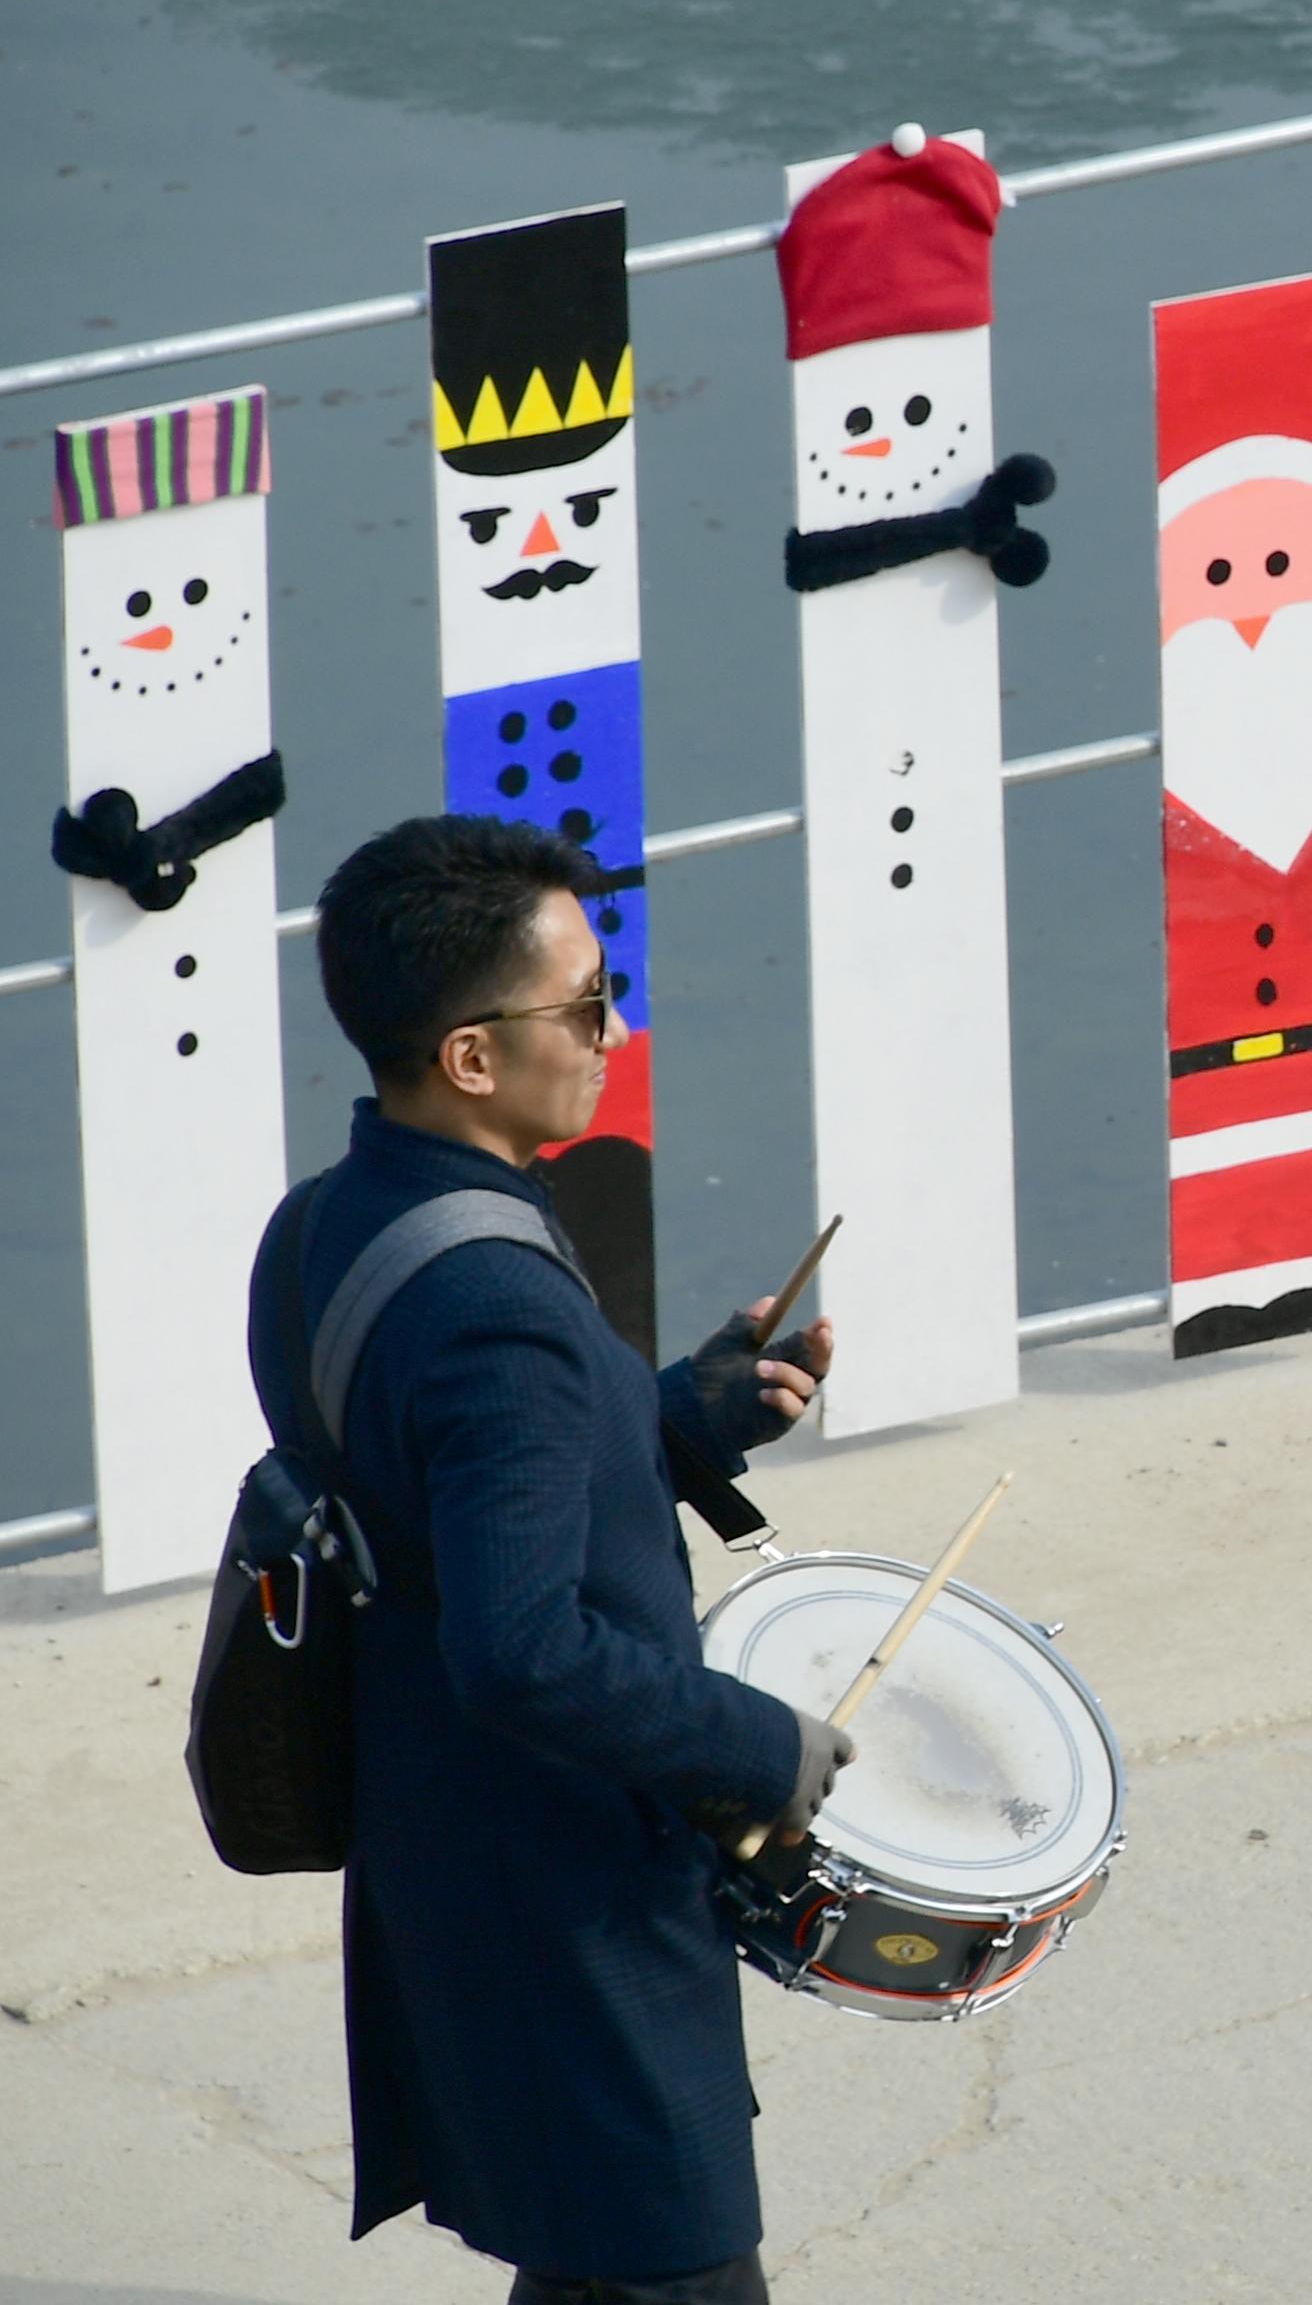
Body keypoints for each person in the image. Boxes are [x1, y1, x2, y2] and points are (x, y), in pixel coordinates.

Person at [248, 813, 848, 2305]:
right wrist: (758, 1740)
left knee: (595, 2267)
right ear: (470, 1056)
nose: (611, 1028)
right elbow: (517, 1646)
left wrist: (673, 1423)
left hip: (444, 1847)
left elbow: (432, 1501)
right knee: (672, 2263)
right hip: (565, 1901)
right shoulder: (497, 1307)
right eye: (584, 1004)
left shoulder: (324, 1224)